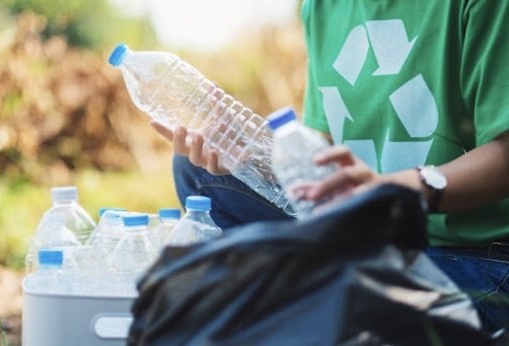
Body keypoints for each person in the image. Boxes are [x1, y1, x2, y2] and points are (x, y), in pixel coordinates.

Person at [149, 0, 509, 333]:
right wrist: (253, 158)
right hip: (365, 234)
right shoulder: (323, 7)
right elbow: (325, 146)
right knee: (198, 172)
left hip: (472, 253)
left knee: (314, 307)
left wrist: (398, 189)